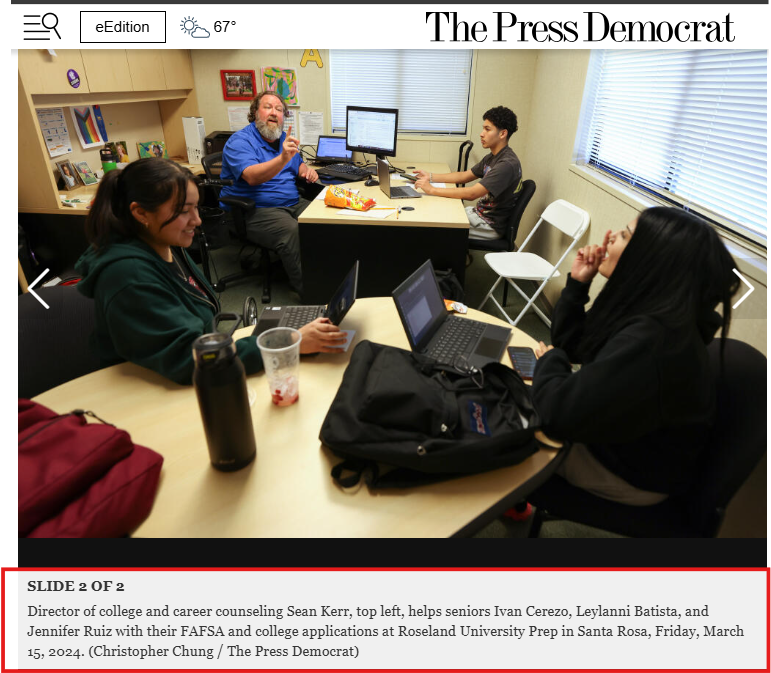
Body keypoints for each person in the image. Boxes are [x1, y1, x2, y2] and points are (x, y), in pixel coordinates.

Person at [529, 207, 739, 506]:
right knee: (518, 397)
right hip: (618, 441)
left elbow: (557, 415)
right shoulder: (649, 313)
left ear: (650, 261)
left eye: (625, 235)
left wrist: (550, 361)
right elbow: (573, 346)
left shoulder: (654, 339)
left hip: (629, 473)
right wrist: (578, 284)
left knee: (509, 425)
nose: (611, 236)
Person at [75, 158, 346, 386]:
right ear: (141, 213)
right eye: (184, 211)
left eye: (196, 208)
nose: (197, 220)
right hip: (152, 390)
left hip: (193, 363)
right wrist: (289, 342)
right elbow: (188, 359)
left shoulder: (163, 242)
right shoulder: (129, 275)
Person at [219, 92, 319, 296]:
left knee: (325, 219)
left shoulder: (283, 140)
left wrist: (307, 171)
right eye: (268, 107)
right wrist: (282, 158)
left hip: (292, 202)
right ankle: (310, 292)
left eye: (279, 109)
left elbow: (298, 164)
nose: (274, 113)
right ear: (255, 113)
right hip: (256, 209)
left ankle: (326, 276)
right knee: (291, 231)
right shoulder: (240, 142)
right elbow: (252, 177)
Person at [413, 106, 522, 241]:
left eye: (487, 129)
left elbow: (472, 194)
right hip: (478, 214)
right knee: (436, 211)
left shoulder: (506, 164)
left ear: (502, 134)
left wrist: (432, 190)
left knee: (431, 226)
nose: (481, 134)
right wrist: (430, 176)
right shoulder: (493, 157)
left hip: (489, 225)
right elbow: (464, 175)